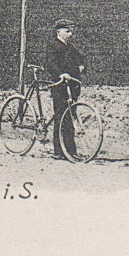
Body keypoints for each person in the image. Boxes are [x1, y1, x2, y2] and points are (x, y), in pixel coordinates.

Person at [46, 18, 86, 160]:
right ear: (58, 32)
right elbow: (50, 63)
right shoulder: (53, 46)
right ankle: (60, 151)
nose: (70, 34)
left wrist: (82, 65)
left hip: (72, 85)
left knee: (69, 115)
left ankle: (70, 150)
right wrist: (60, 73)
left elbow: (82, 57)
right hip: (60, 85)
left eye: (71, 31)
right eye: (67, 31)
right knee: (61, 117)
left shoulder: (70, 47)